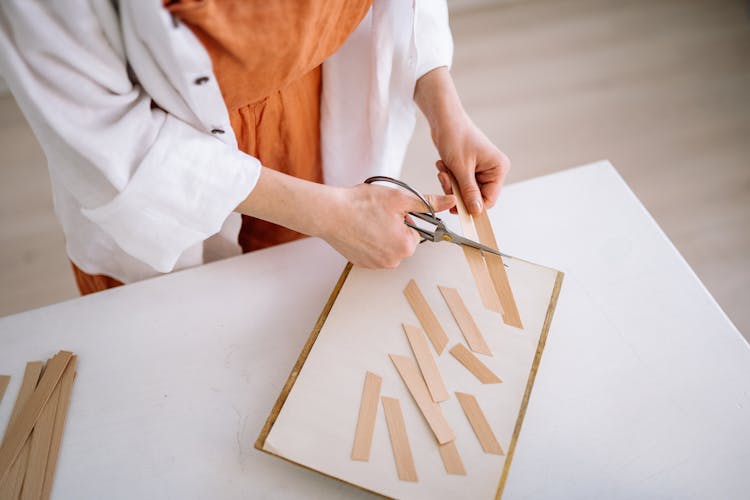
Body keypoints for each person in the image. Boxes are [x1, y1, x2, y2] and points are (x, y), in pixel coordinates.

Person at [0, 1, 511, 295]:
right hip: (168, 172)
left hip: (317, 106)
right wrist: (334, 217)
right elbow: (112, 147)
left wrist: (442, 102)